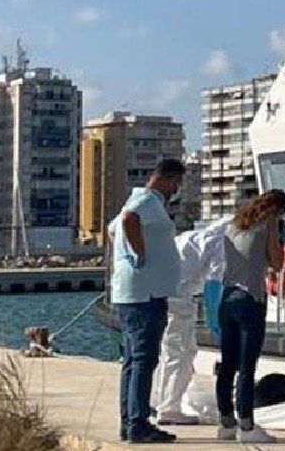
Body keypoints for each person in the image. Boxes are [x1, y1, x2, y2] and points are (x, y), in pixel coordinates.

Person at [110, 157, 187, 445]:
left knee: (132, 360)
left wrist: (125, 259)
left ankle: (129, 421)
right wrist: (139, 256)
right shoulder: (147, 200)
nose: (177, 190)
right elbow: (129, 221)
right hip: (146, 295)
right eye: (177, 184)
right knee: (144, 360)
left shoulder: (137, 199)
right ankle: (139, 425)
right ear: (168, 179)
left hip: (135, 292)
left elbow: (111, 229)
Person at [216, 189, 285, 444]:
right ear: (278, 210)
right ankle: (247, 427)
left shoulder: (235, 224)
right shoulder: (268, 225)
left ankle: (226, 422)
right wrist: (278, 237)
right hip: (250, 300)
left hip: (227, 299)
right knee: (247, 367)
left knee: (227, 364)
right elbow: (277, 262)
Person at [153, 217, 231, 425]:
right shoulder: (222, 243)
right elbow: (213, 286)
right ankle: (169, 408)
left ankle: (159, 402)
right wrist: (216, 323)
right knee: (182, 352)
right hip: (178, 295)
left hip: (159, 291)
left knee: (167, 351)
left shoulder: (193, 237)